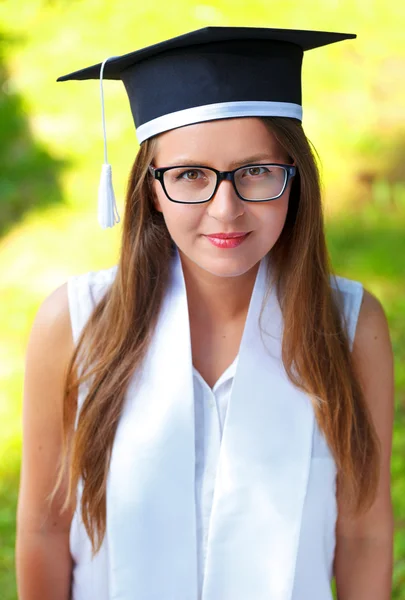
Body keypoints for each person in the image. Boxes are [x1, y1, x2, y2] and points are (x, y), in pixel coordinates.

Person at [15, 26, 394, 600]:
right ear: (149, 189)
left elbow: (362, 531)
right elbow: (45, 528)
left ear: (296, 179)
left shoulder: (348, 327)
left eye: (257, 171)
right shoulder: (74, 325)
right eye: (191, 175)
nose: (227, 208)